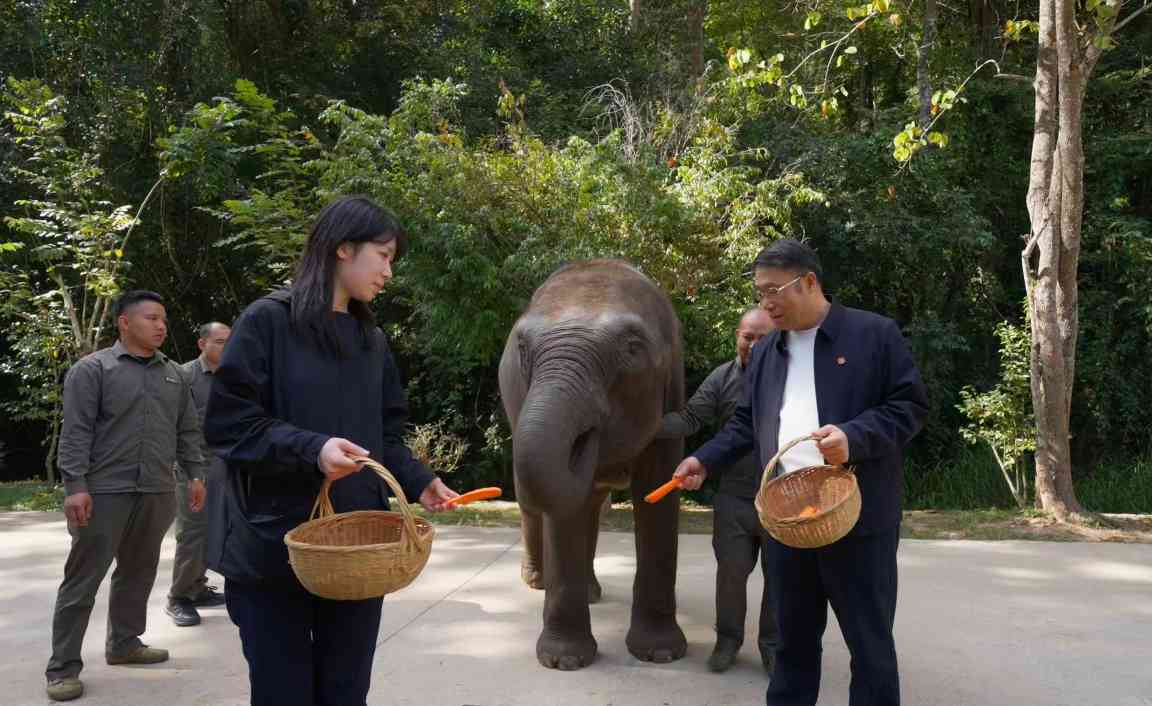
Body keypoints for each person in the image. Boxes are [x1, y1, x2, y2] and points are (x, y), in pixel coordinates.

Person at [203, 195, 459, 706]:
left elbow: (384, 432)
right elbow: (230, 423)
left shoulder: (370, 340)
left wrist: (417, 476)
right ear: (343, 248)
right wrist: (312, 448)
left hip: (357, 548)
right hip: (274, 544)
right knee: (283, 692)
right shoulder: (267, 322)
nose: (389, 271)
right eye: (383, 255)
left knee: (346, 689)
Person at [673, 239, 929, 706]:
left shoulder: (873, 335)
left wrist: (854, 437)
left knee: (869, 645)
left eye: (774, 290)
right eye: (759, 292)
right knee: (791, 643)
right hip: (789, 523)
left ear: (809, 282)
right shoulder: (769, 351)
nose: (766, 302)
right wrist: (704, 459)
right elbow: (747, 424)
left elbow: (909, 407)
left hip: (858, 520)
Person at [46, 290, 206, 702]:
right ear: (124, 322)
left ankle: (124, 644)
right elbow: (76, 432)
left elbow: (187, 430)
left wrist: (195, 475)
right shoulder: (93, 369)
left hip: (155, 489)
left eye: (164, 320)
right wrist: (75, 486)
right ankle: (63, 667)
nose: (161, 326)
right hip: (103, 491)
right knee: (82, 580)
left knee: (138, 572)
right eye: (152, 318)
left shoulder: (174, 373)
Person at [657, 307, 778, 674]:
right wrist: (643, 425)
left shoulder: (790, 377)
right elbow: (691, 419)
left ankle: (773, 647)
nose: (754, 344)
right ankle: (728, 641)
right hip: (735, 497)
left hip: (782, 500)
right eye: (748, 336)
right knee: (731, 573)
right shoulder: (722, 377)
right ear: (736, 337)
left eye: (763, 337)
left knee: (781, 578)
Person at [166, 322, 232, 627]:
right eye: (219, 341)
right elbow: (175, 426)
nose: (225, 347)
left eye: (229, 341)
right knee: (193, 534)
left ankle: (197, 587)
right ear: (201, 344)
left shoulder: (236, 374)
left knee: (217, 529)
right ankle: (178, 597)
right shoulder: (184, 376)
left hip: (229, 465)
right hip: (195, 467)